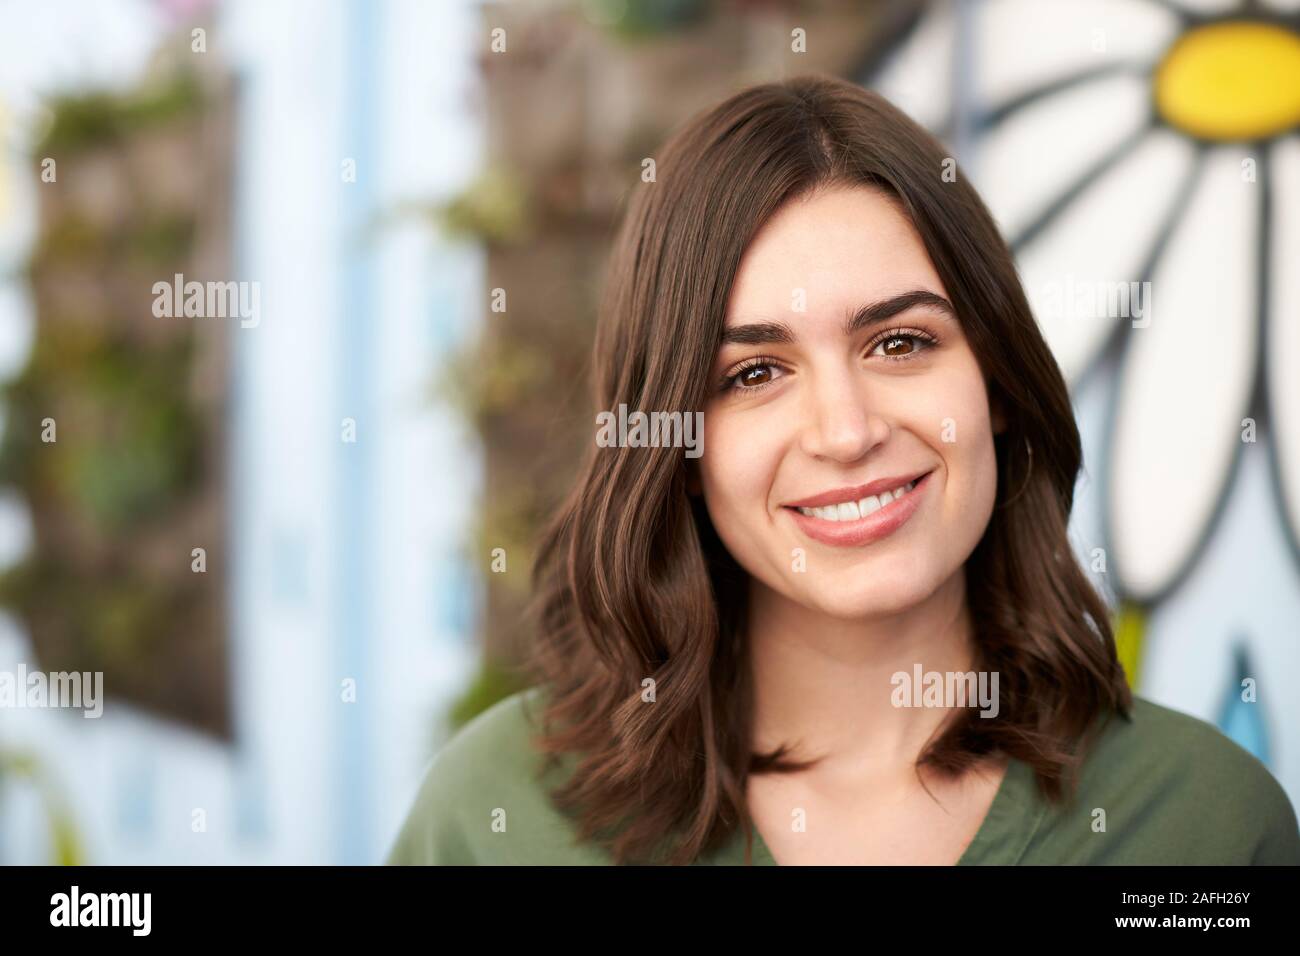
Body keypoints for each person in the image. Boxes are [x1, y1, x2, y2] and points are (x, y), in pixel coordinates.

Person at [387, 74, 1300, 866]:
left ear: (999, 383)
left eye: (901, 341)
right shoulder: (494, 816)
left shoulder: (1205, 827)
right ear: (677, 445)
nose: (845, 429)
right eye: (753, 373)